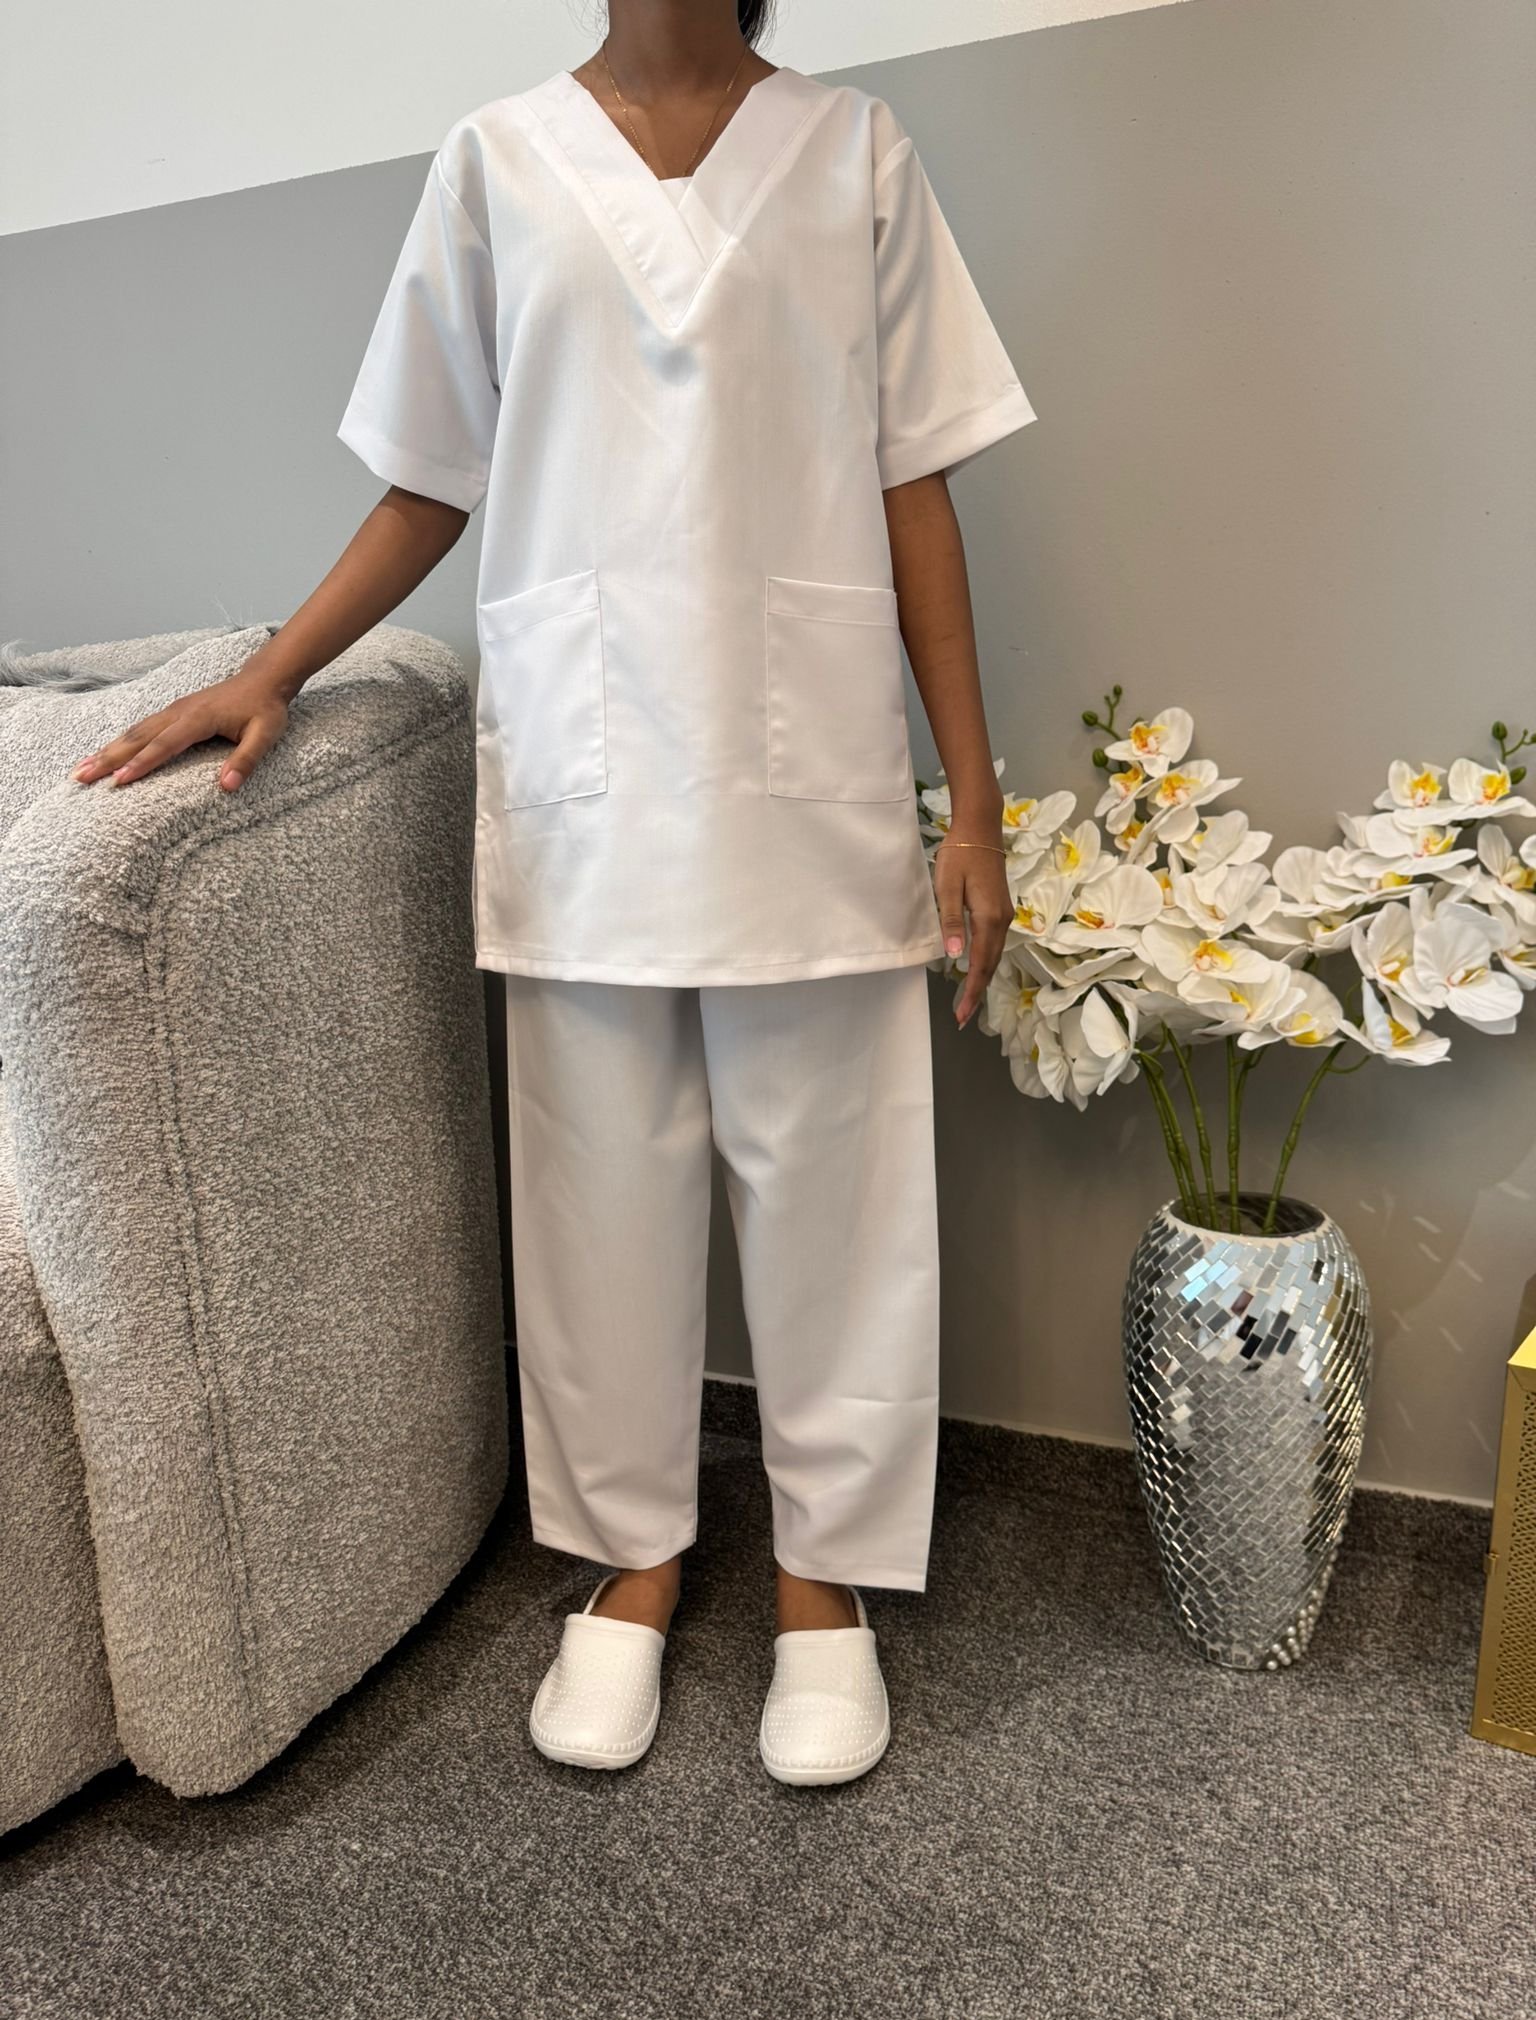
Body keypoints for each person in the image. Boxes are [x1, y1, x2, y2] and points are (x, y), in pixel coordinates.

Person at [70, 0, 1037, 1787]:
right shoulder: (497, 163)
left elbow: (916, 485)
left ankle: (824, 1577)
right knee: (597, 1172)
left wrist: (973, 799)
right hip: (593, 763)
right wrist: (272, 668)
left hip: (805, 758)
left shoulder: (854, 154)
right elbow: (429, 482)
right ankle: (633, 1559)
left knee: (837, 1176)